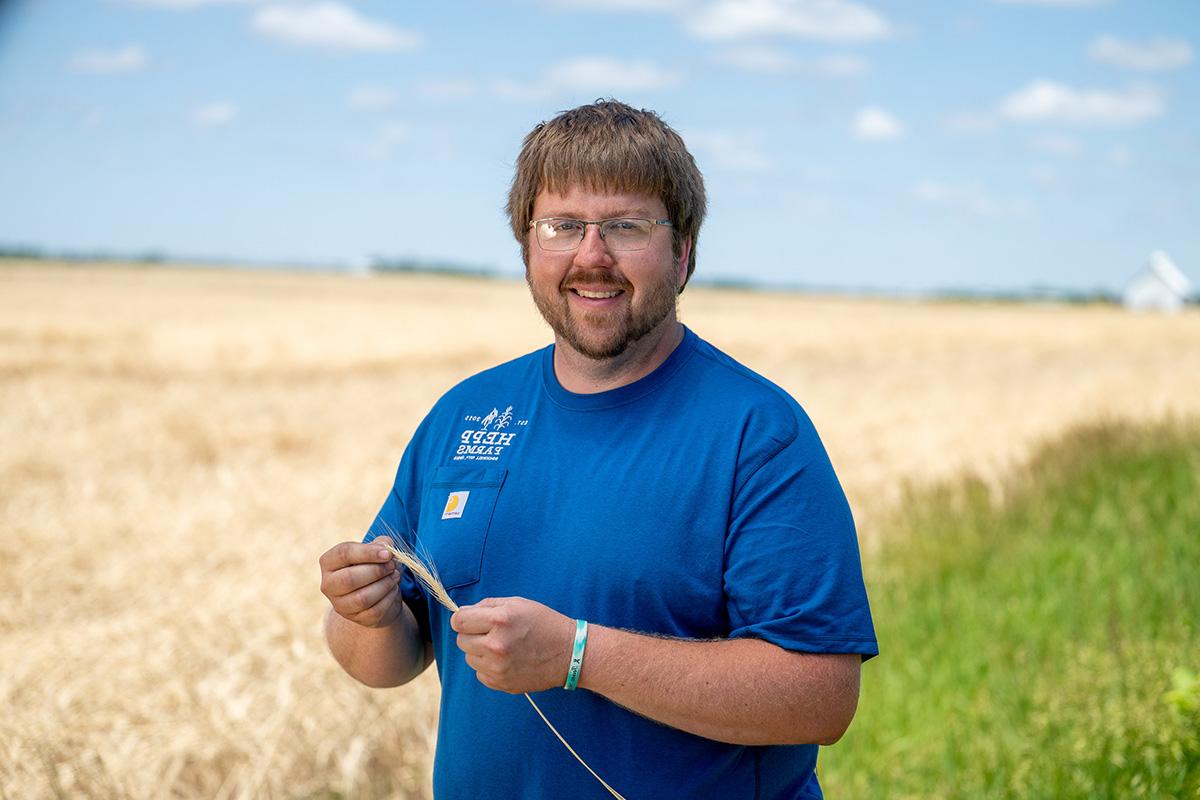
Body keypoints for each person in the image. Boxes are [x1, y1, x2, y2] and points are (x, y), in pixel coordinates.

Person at [319, 99, 877, 799]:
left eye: (625, 226)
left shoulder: (757, 434)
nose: (592, 256)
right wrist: (363, 614)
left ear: (684, 252)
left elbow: (822, 697)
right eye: (563, 226)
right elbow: (385, 662)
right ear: (527, 246)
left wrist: (578, 655)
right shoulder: (463, 416)